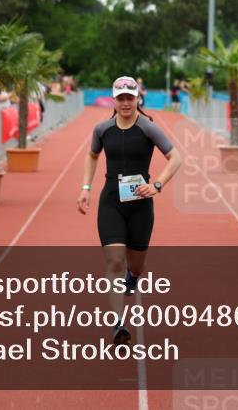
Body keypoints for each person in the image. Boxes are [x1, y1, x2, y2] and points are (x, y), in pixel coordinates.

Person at [77, 76, 183, 346]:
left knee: (135, 265)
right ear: (114, 100)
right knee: (113, 259)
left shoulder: (148, 128)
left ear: (138, 99)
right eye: (121, 98)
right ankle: (118, 323)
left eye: (130, 97)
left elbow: (176, 157)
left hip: (140, 204)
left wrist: (156, 184)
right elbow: (92, 155)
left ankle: (133, 277)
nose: (125, 102)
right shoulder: (102, 130)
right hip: (111, 200)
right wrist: (86, 187)